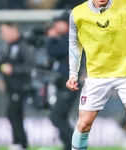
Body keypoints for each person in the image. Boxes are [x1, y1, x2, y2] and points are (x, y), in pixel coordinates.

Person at [66, 0, 126, 150]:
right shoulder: (77, 14)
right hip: (96, 75)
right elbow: (74, 43)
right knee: (83, 124)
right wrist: (73, 74)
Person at [0, 23, 35, 150]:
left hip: (21, 86)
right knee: (13, 113)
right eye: (2, 32)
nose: (3, 35)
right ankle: (19, 143)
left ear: (14, 29)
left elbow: (30, 65)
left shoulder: (23, 44)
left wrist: (13, 69)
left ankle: (20, 143)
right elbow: (0, 64)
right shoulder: (7, 46)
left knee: (12, 112)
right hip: (10, 87)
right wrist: (1, 76)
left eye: (5, 32)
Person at [44, 13, 80, 150]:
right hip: (64, 83)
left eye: (58, 23)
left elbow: (53, 51)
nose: (56, 26)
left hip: (70, 84)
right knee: (61, 117)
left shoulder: (72, 37)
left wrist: (51, 39)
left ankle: (75, 146)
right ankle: (69, 146)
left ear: (66, 23)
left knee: (56, 116)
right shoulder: (65, 38)